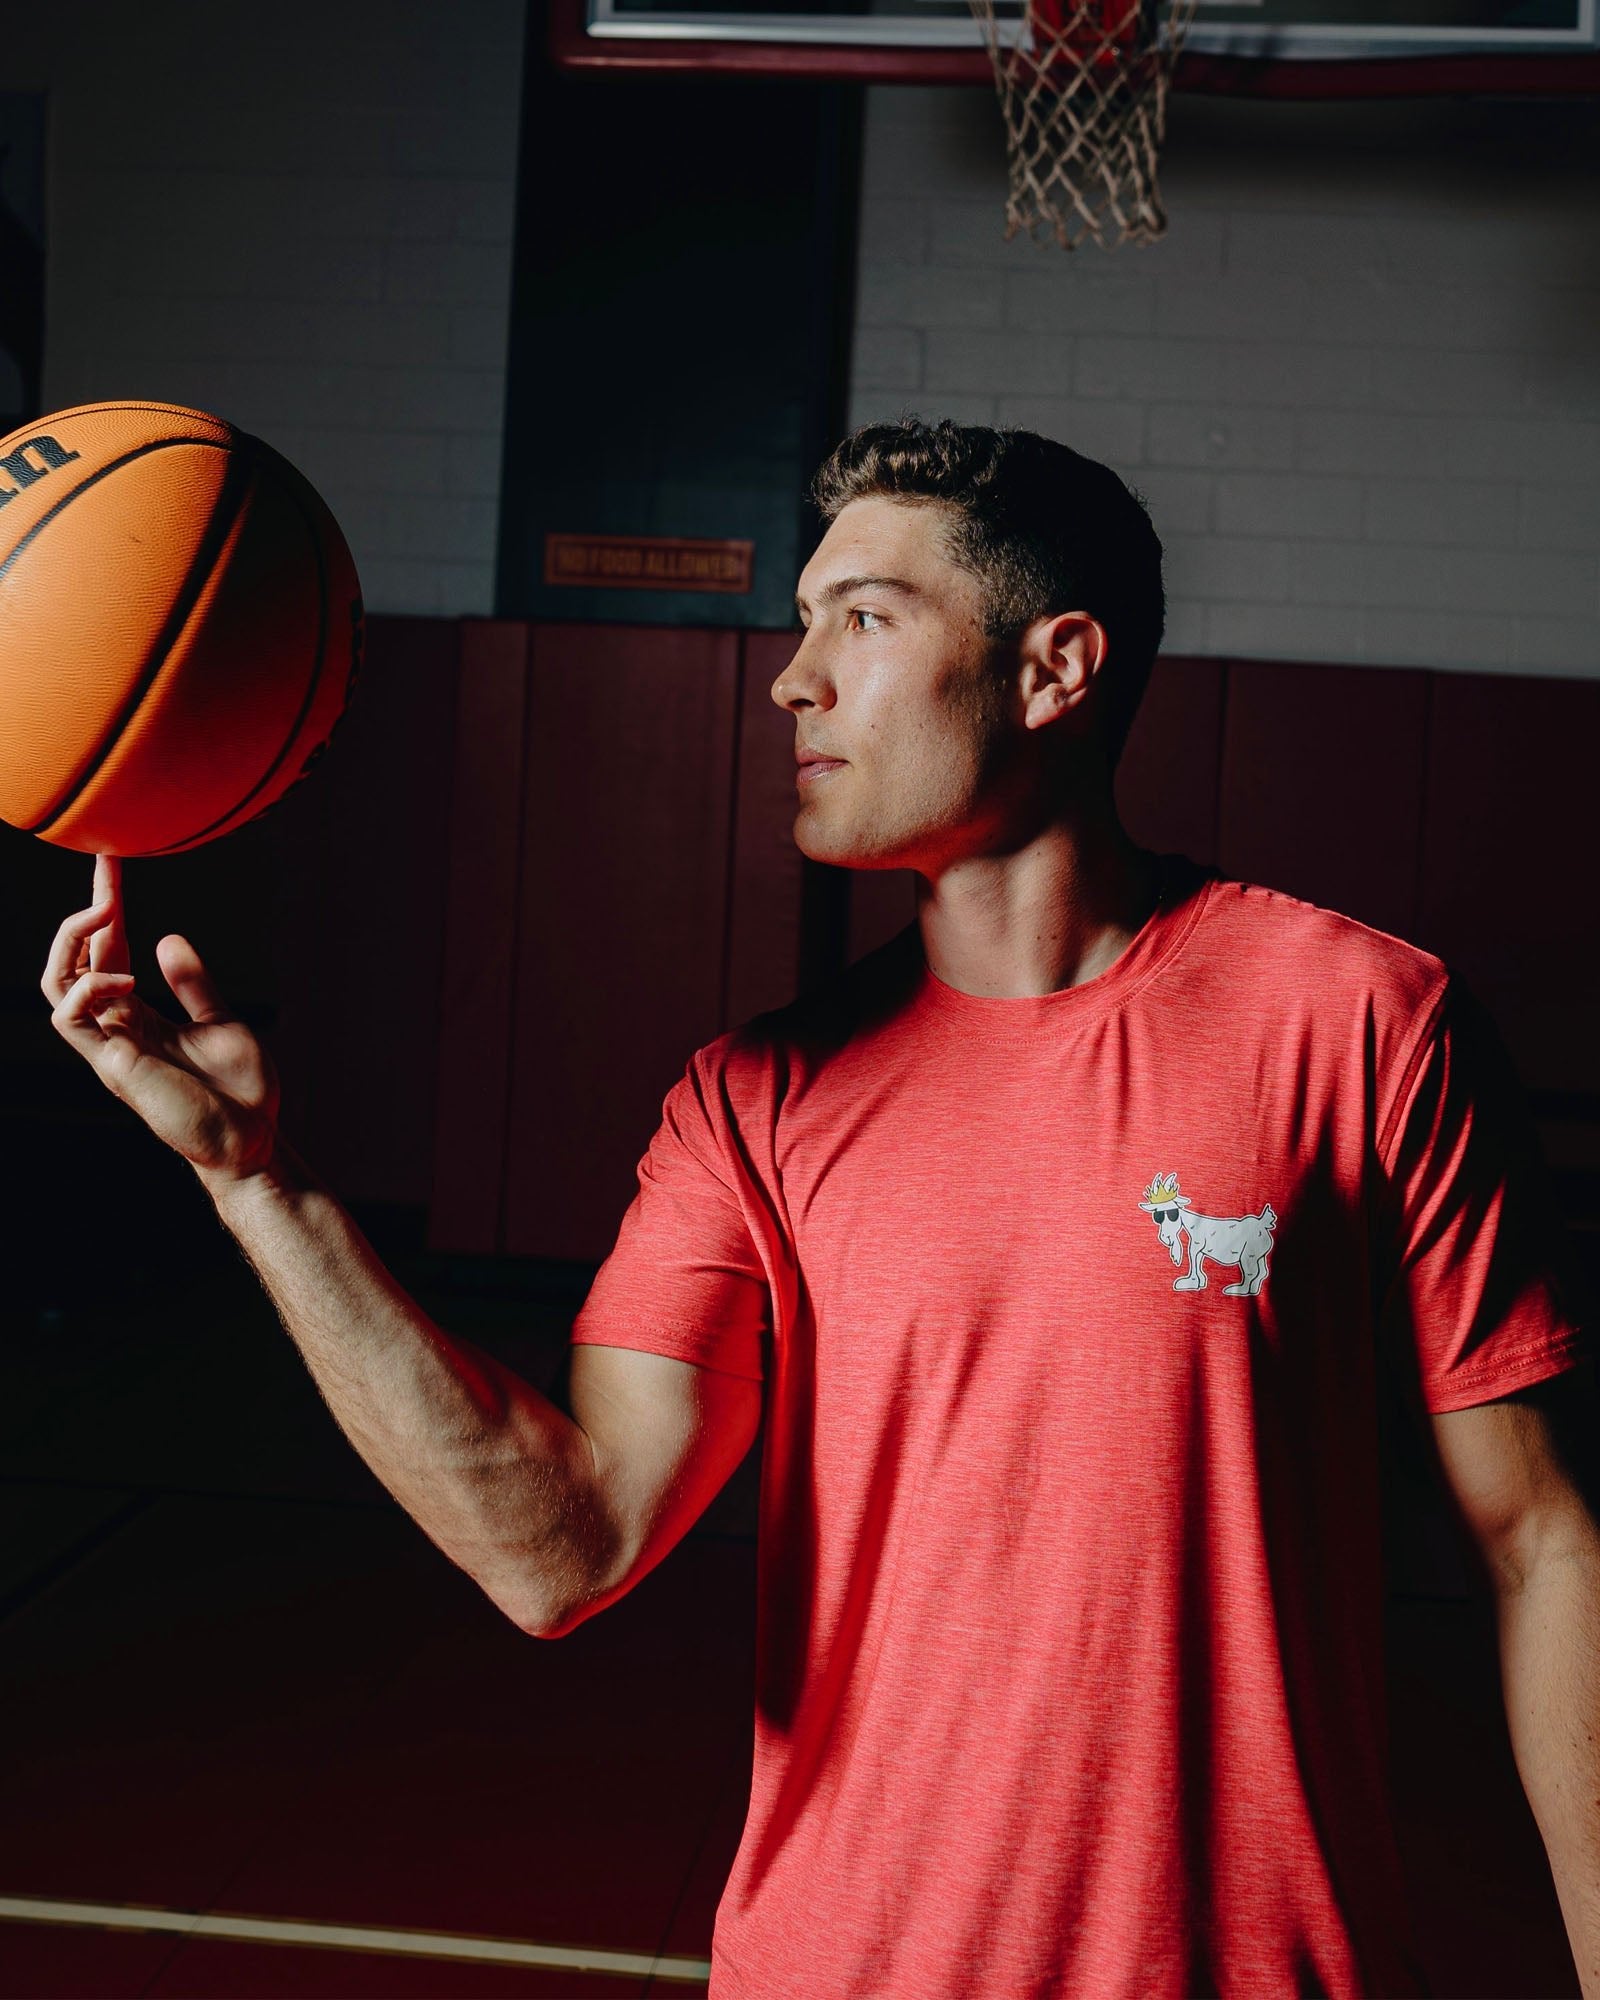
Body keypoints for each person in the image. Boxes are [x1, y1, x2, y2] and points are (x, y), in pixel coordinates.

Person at [42, 418, 1598, 1999]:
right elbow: (558, 1549)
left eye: (862, 619)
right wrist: (259, 1185)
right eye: (800, 623)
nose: (790, 679)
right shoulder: (751, 1106)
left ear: (1055, 670)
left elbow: (1542, 1541)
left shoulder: (1358, 1023)